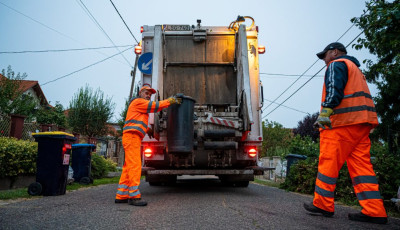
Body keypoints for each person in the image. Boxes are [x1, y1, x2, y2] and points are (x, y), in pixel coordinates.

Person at [303, 42, 388, 224]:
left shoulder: (336, 64)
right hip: (362, 123)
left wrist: (326, 111)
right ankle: (375, 211)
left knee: (328, 163)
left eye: (325, 55)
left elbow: (334, 89)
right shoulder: (355, 69)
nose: (324, 61)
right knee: (362, 168)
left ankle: (323, 205)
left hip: (343, 124)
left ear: (334, 52)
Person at [115, 85, 182, 206]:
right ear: (140, 93)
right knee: (135, 166)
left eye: (150, 95)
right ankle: (134, 196)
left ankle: (121, 195)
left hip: (131, 137)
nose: (148, 96)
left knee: (128, 166)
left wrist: (147, 129)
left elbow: (136, 121)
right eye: (146, 93)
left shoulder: (138, 107)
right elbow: (155, 106)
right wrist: (170, 101)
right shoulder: (138, 102)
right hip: (132, 137)